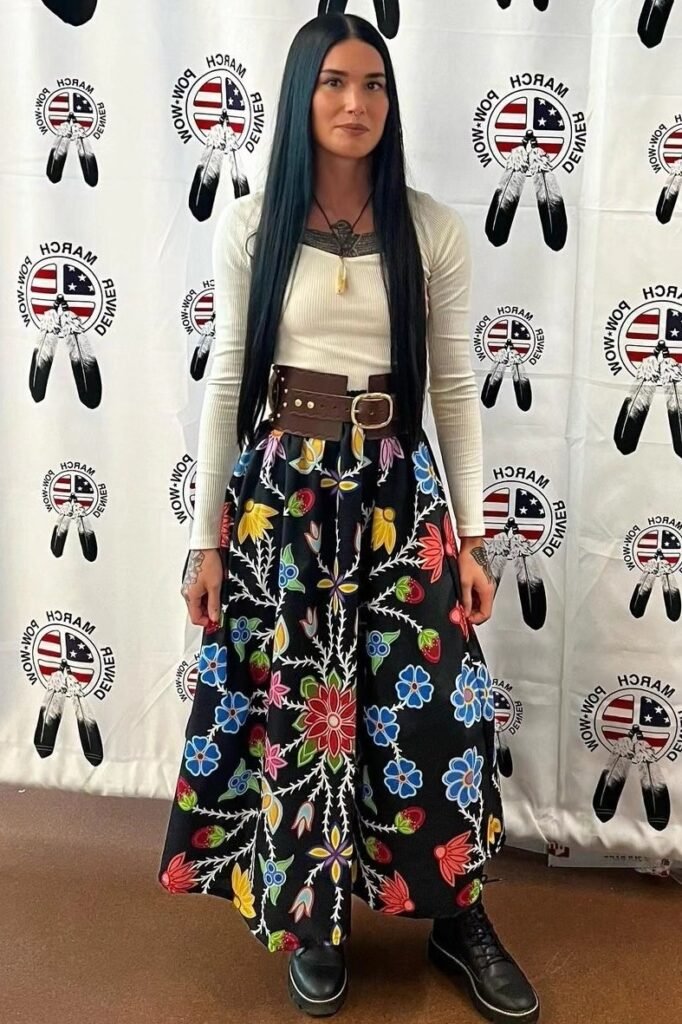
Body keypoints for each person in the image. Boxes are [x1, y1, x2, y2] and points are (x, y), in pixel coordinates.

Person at [158, 12, 539, 1023]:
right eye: (332, 83)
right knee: (300, 714)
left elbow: (454, 387)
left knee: (437, 712)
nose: (355, 104)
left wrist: (471, 538)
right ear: (299, 96)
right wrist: (205, 537)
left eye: (373, 85)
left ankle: (458, 915)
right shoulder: (248, 226)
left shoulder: (432, 230)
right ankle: (315, 915)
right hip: (282, 504)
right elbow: (228, 379)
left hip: (395, 497)